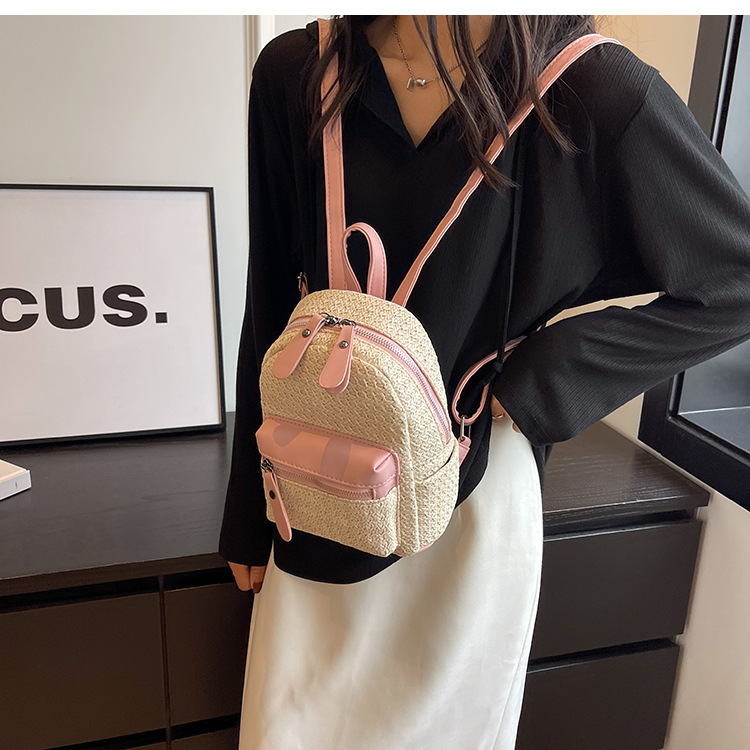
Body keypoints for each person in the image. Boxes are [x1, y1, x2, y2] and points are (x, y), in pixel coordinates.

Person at [219, 15, 750, 750]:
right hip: (311, 490)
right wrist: (247, 509)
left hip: (471, 499)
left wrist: (545, 378)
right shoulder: (297, 71)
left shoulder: (590, 88)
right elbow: (273, 295)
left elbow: (734, 280)